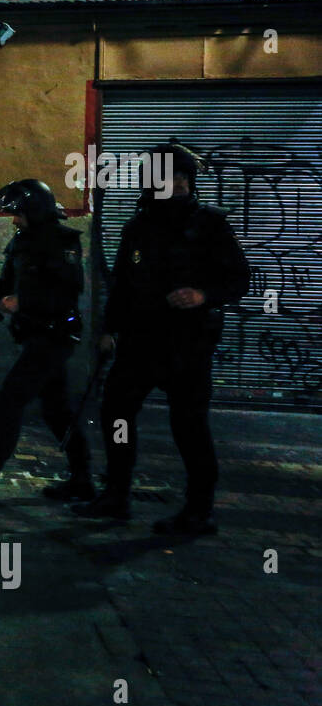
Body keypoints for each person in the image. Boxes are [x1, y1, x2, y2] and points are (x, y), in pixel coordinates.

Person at [75, 141, 250, 535]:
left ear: (182, 180)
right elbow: (121, 285)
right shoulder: (138, 226)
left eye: (158, 175)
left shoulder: (208, 224)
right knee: (116, 413)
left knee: (189, 426)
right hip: (139, 342)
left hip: (187, 346)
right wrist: (109, 330)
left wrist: (203, 295)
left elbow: (238, 277)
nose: (148, 183)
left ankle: (199, 511)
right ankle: (116, 495)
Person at [0, 179, 93, 500]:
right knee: (57, 411)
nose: (14, 220)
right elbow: (5, 284)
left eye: (19, 214)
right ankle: (82, 478)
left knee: (6, 403)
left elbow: (68, 293)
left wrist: (24, 302)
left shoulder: (63, 242)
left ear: (35, 211)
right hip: (33, 335)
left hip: (54, 336)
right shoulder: (21, 242)